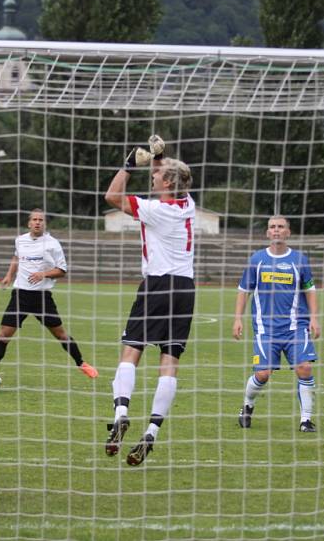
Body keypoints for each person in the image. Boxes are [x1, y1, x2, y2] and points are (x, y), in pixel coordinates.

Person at [103, 134, 195, 466]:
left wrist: (129, 164)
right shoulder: (188, 204)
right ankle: (152, 433)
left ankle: (121, 412)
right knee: (169, 361)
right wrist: (160, 154)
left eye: (157, 175)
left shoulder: (156, 209)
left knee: (131, 350)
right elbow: (168, 172)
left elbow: (111, 195)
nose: (152, 176)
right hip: (186, 290)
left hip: (157, 284)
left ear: (169, 181)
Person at [0, 208, 97, 390]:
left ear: (44, 223)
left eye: (41, 220)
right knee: (3, 335)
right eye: (34, 219)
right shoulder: (20, 240)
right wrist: (9, 275)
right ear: (29, 223)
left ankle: (81, 363)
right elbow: (16, 257)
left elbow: (62, 270)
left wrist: (44, 274)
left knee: (60, 334)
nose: (37, 222)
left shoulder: (53, 244)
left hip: (42, 297)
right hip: (20, 295)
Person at [233, 216, 320, 433]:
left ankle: (306, 420)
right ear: (267, 232)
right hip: (265, 328)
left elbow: (310, 290)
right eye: (273, 227)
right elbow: (244, 291)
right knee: (263, 373)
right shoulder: (257, 260)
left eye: (281, 227)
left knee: (305, 367)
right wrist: (237, 318)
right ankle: (247, 405)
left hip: (295, 326)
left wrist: (314, 318)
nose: (276, 230)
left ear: (288, 232)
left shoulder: (299, 260)